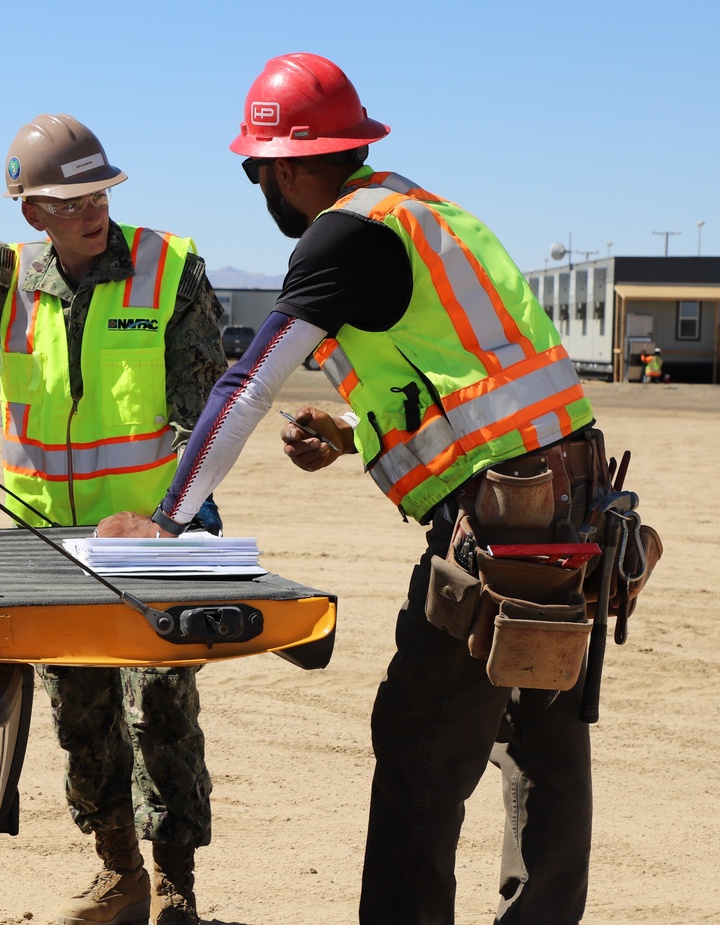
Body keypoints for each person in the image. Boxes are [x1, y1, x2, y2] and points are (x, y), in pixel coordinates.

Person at [97, 54, 610, 924]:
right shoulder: (424, 213)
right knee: (545, 738)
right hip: (576, 505)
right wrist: (351, 435)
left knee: (420, 745)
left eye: (258, 169)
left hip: (497, 526)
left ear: (287, 166)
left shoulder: (341, 234)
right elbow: (473, 384)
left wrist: (168, 518)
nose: (260, 185)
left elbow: (248, 384)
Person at [0, 113, 228, 925]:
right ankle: (118, 871)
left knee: (161, 706)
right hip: (46, 545)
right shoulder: (9, 278)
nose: (93, 210)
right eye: (71, 201)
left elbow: (202, 409)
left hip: (151, 538)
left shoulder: (170, 270)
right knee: (82, 715)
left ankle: (176, 886)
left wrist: (172, 517)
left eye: (99, 192)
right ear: (33, 213)